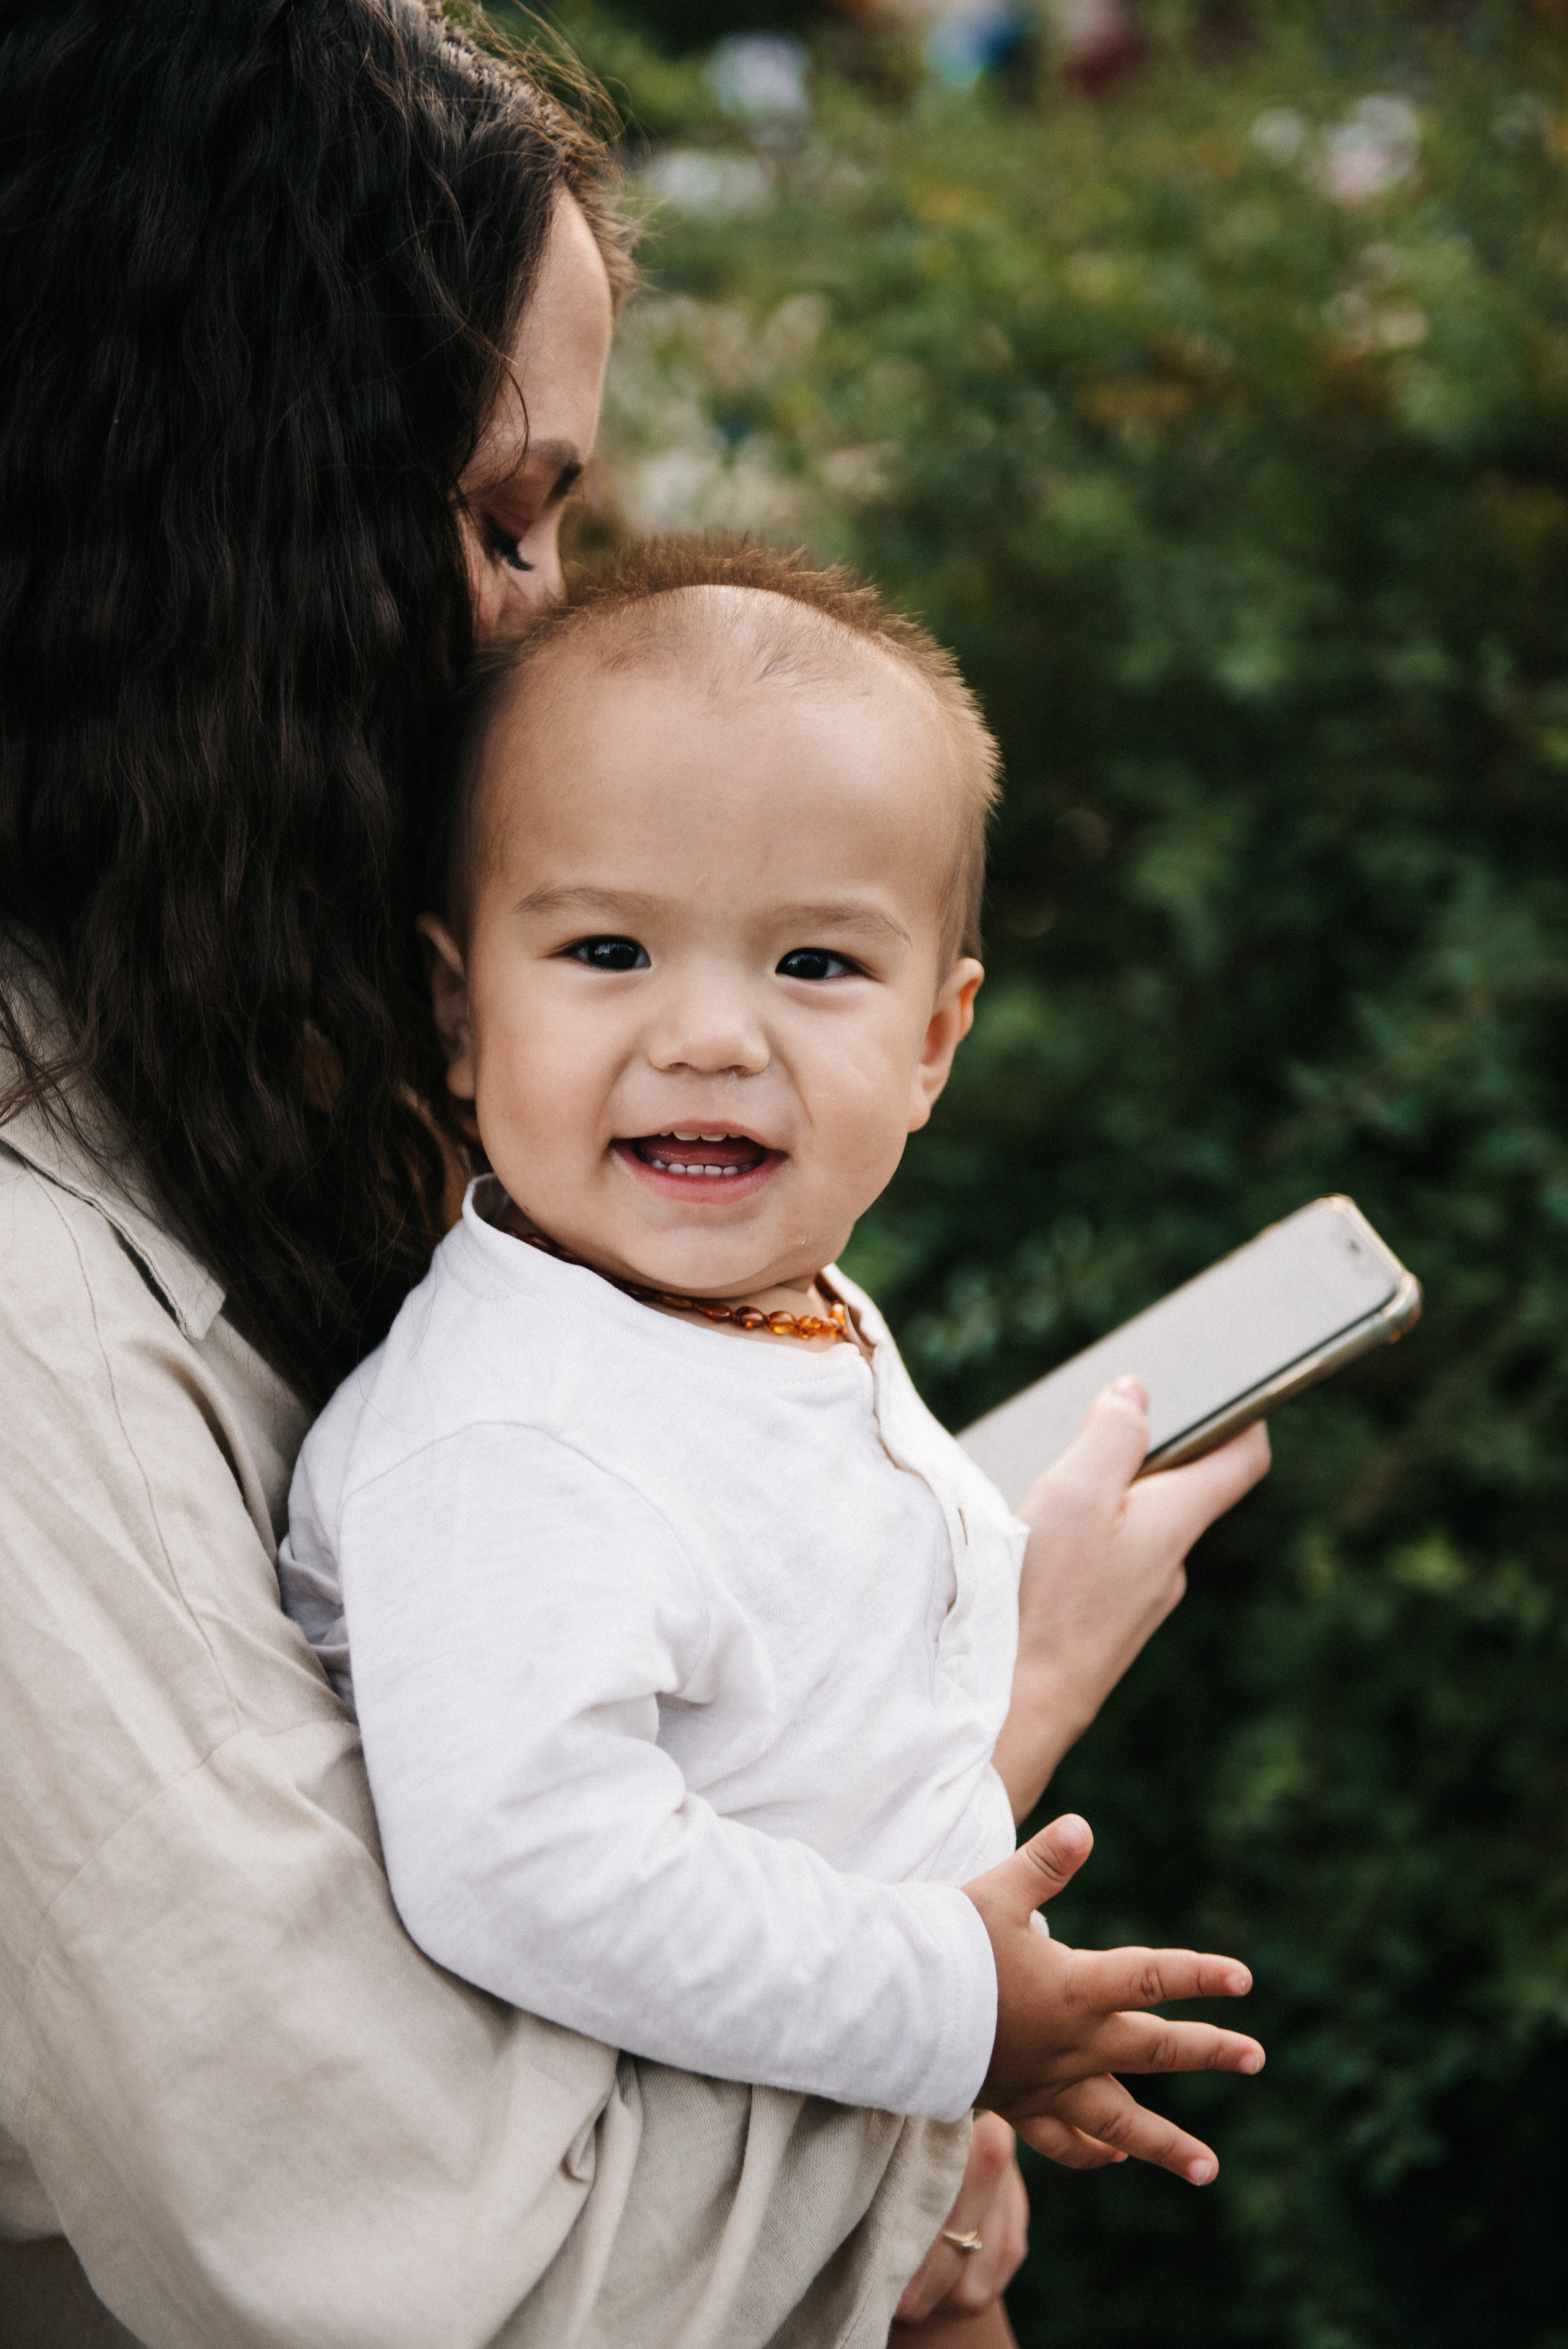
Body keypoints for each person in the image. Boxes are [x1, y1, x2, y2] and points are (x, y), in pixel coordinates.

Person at [0, 3, 1268, 2343]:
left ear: (943, 1030)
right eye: (502, 519)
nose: (547, 626)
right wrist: (984, 1780)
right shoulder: (41, 1308)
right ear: (206, 521)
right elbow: (435, 2269)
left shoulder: (268, 1070)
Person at [279, 536, 1265, 2204]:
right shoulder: (511, 1434)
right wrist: (953, 2011)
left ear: (933, 1042)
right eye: (609, 951)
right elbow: (528, 1867)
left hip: (838, 2158)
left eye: (815, 965)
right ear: (456, 1012)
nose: (711, 1039)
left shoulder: (762, 1309)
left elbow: (819, 1748)